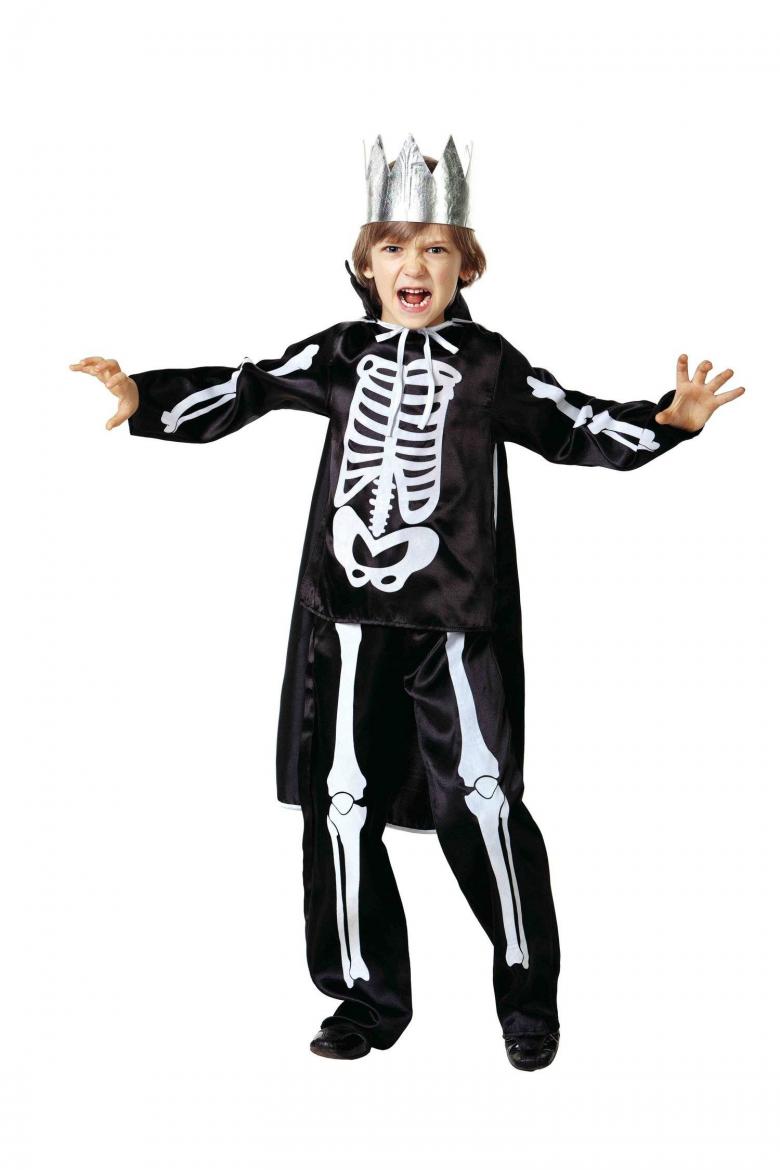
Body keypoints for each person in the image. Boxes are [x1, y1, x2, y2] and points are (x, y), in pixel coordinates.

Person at [69, 133, 744, 1070]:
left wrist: (663, 423)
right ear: (366, 265)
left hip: (457, 622)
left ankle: (528, 1003)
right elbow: (249, 386)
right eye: (393, 248)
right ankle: (365, 999)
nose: (413, 265)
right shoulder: (340, 352)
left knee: (487, 804)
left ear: (466, 267)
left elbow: (566, 421)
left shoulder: (487, 363)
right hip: (346, 618)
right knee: (341, 806)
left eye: (434, 248)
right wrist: (145, 397)